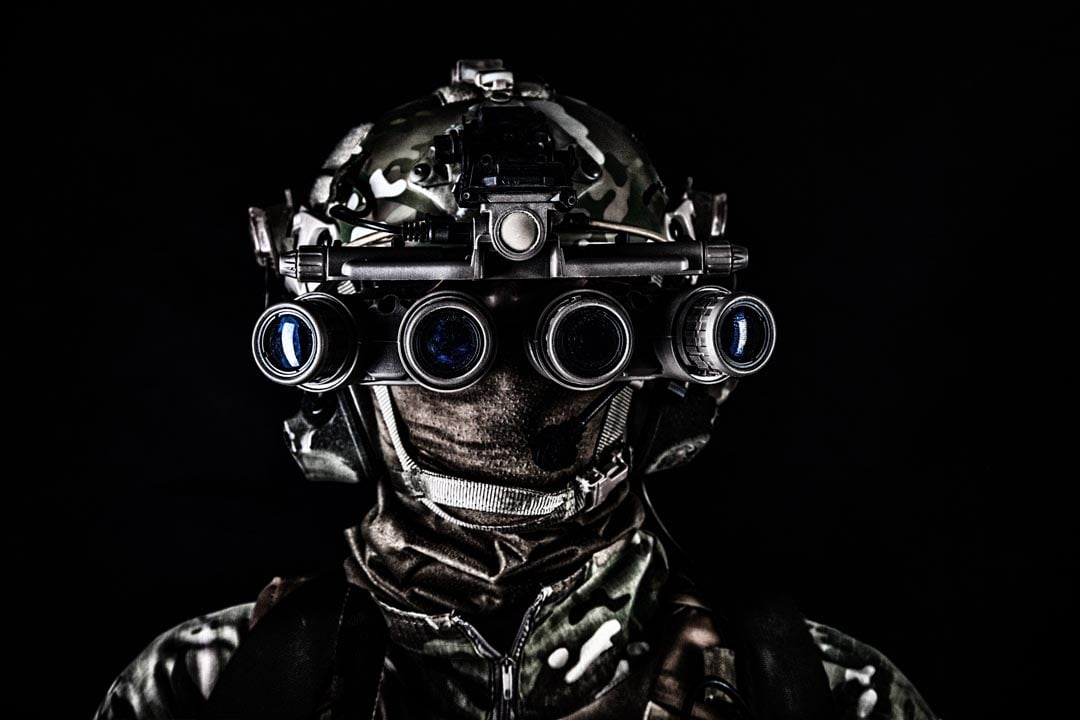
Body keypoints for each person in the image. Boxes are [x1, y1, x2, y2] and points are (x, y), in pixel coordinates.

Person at [94, 59, 936, 720]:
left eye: (582, 335)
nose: (507, 382)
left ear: (664, 349)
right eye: (444, 339)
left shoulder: (817, 692)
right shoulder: (208, 689)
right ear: (337, 360)